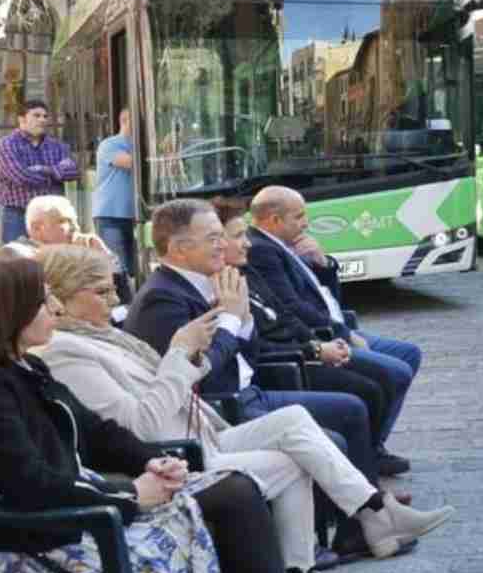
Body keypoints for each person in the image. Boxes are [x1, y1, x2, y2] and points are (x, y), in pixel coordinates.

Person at [37, 245, 452, 573]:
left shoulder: (104, 335)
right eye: (100, 292)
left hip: (202, 426)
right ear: (60, 296)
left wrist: (202, 345)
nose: (113, 301)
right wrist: (187, 349)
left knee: (294, 419)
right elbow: (139, 422)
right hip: (172, 449)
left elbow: (190, 374)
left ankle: (369, 516)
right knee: (292, 459)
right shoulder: (66, 350)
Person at [0, 257, 316, 573]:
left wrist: (153, 462)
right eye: (45, 300)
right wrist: (131, 493)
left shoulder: (23, 368)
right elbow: (30, 484)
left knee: (236, 490)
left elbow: (98, 433)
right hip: (39, 552)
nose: (57, 308)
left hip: (74, 522)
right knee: (232, 501)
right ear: (7, 313)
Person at [124, 200, 381, 491]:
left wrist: (244, 320)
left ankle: (371, 516)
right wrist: (232, 321)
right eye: (212, 238)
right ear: (179, 249)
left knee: (352, 408)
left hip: (249, 391)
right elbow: (199, 375)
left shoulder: (207, 281)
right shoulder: (162, 298)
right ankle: (368, 518)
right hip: (221, 409)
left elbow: (248, 355)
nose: (223, 245)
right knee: (336, 431)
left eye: (222, 236)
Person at [212, 199, 395, 486]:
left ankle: (371, 487)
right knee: (367, 391)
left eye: (244, 235)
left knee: (380, 379)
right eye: (237, 236)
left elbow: (285, 314)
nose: (246, 243)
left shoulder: (244, 273)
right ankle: (370, 501)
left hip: (303, 348)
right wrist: (316, 349)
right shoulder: (226, 282)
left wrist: (320, 343)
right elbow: (253, 350)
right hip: (277, 370)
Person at [247, 186, 423, 477]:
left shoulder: (287, 245)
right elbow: (291, 309)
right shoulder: (263, 251)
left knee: (409, 353)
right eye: (299, 216)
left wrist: (323, 262)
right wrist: (338, 335)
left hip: (339, 325)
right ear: (274, 220)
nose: (306, 223)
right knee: (395, 372)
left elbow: (325, 294)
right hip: (324, 335)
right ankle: (369, 452)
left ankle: (373, 445)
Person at [0, 99, 80, 245]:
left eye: (45, 116)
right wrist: (56, 173)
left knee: (54, 262)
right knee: (19, 263)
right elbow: (20, 176)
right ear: (22, 119)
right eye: (36, 115)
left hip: (54, 216)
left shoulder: (57, 145)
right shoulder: (6, 145)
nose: (42, 120)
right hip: (18, 214)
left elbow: (73, 172)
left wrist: (42, 169)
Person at [93, 107, 139, 283]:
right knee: (117, 267)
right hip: (110, 214)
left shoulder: (140, 145)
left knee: (133, 267)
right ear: (125, 121)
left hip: (134, 215)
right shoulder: (109, 144)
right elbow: (129, 162)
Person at [1, 195, 114, 261]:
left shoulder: (82, 250)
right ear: (36, 228)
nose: (75, 228)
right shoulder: (16, 253)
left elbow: (122, 294)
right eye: (64, 221)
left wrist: (105, 256)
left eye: (74, 221)